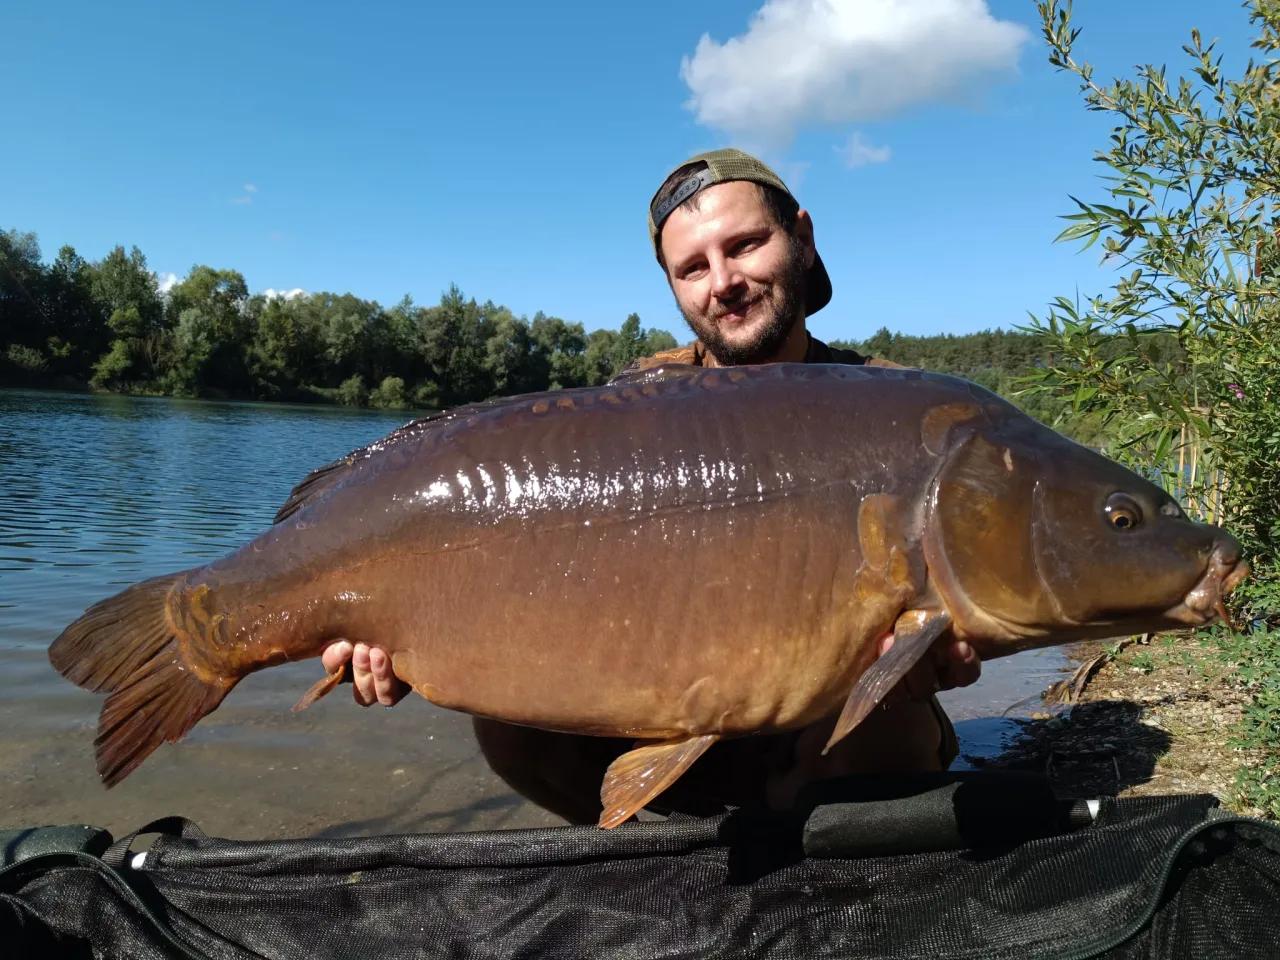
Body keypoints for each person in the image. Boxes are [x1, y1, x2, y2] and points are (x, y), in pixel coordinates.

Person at [320, 148, 981, 823]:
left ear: (803, 240)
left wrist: (944, 642)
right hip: (671, 706)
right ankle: (673, 858)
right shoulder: (635, 410)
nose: (722, 281)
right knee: (508, 727)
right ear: (672, 286)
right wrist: (400, 626)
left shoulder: (892, 409)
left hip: (823, 720)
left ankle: (821, 868)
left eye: (745, 245)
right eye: (692, 268)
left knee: (882, 728)